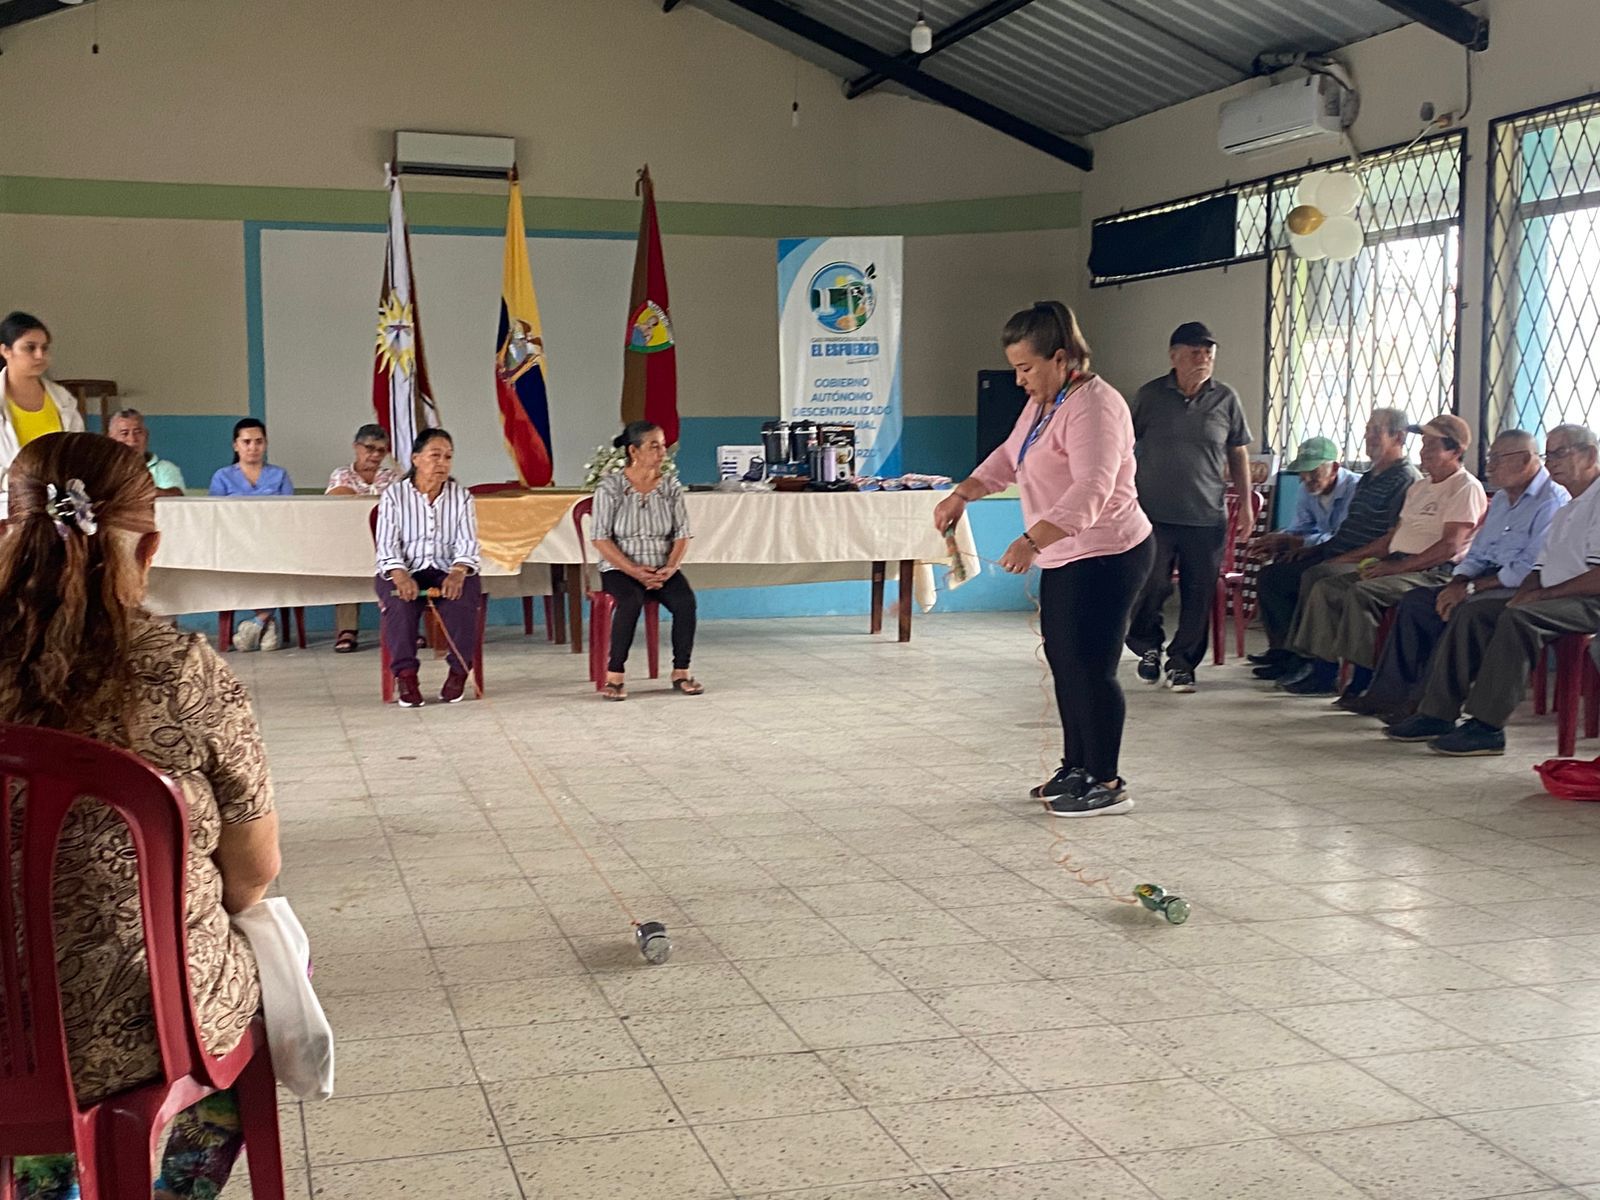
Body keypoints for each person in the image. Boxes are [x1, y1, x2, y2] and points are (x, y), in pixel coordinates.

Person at [0, 432, 281, 1200]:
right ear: (149, 548)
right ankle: (170, 1190)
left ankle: (49, 1182)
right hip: (140, 1025)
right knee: (277, 975)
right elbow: (253, 875)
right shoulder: (181, 671)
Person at [934, 302, 1153, 817]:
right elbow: (1010, 456)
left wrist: (1032, 540)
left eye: (1026, 368)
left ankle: (1107, 781)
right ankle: (1077, 766)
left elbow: (1093, 488)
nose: (1019, 380)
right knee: (1065, 662)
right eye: (1014, 368)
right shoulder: (1046, 402)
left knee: (1092, 667)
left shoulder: (1095, 406)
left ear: (1060, 357)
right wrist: (963, 493)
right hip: (1064, 552)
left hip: (1107, 552)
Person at [1388, 423, 1600, 756]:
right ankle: (1437, 713)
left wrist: (1537, 597)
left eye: (1561, 453)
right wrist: (1524, 593)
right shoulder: (1570, 506)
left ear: (1590, 455)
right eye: (1550, 455)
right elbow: (1539, 567)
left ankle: (1487, 727)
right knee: (1474, 611)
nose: (1552, 462)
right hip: (1555, 594)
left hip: (1589, 599)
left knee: (1519, 618)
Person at [1345, 430, 1565, 720]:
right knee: (1417, 602)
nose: (1489, 466)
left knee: (1465, 610)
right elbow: (1477, 553)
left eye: (1497, 459)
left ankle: (1427, 707)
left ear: (1525, 460)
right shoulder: (1502, 499)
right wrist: (1459, 581)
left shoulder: (1551, 501)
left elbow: (1528, 568)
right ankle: (1387, 695)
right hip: (1485, 577)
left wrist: (1471, 588)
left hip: (1521, 584)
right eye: (1490, 458)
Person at [1277, 414, 1487, 696]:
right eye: (1423, 444)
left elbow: (1449, 547)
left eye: (1432, 446)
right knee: (1327, 586)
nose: (1423, 451)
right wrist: (1362, 560)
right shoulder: (1420, 487)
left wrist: (1397, 568)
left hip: (1433, 571)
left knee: (1362, 592)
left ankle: (1364, 679)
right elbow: (1392, 537)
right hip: (1399, 561)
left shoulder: (1465, 487)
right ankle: (1323, 671)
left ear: (1455, 451)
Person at [1124, 322, 1254, 694]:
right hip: (1153, 515)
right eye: (1195, 352)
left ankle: (1182, 664)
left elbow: (1238, 452)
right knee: (1151, 584)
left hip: (1205, 516)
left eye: (1209, 353)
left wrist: (1246, 504)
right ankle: (1147, 646)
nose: (1203, 359)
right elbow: (1123, 447)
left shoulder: (1226, 399)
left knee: (1199, 593)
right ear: (1173, 356)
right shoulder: (1150, 396)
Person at [1251, 408, 1420, 679]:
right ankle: (1284, 652)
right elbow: (1343, 531)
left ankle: (1317, 664)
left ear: (1398, 437)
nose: (1368, 437)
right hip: (1341, 551)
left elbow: (1390, 540)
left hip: (1369, 559)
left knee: (1317, 575)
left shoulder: (1406, 479)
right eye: (1367, 430)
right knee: (1274, 575)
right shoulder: (1370, 477)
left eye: (1376, 431)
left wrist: (1339, 558)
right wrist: (1313, 550)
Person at [590, 421, 704, 700]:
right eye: (654, 446)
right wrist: (634, 571)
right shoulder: (611, 487)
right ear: (634, 451)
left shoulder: (670, 487)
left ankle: (681, 672)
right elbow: (600, 538)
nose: (662, 452)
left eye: (663, 446)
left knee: (685, 602)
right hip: (620, 567)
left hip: (661, 567)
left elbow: (682, 534)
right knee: (630, 601)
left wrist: (670, 567)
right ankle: (615, 676)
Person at [374, 427, 481, 707]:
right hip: (405, 569)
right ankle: (406, 677)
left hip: (447, 568)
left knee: (463, 598)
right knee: (399, 606)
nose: (442, 463)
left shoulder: (461, 496)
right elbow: (386, 545)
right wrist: (400, 575)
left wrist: (458, 572)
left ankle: (458, 671)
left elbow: (468, 543)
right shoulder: (394, 496)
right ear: (416, 459)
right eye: (435, 455)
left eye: (448, 457)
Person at [209, 418, 294, 652]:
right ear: (235, 445)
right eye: (246, 442)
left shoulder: (279, 475)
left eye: (258, 441)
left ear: (265, 444)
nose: (253, 447)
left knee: (280, 565)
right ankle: (267, 623)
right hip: (234, 544)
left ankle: (258, 621)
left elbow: (290, 513)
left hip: (273, 542)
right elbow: (215, 516)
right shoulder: (222, 476)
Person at [326, 423, 401, 653]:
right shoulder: (342, 474)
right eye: (370, 448)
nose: (375, 455)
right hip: (349, 539)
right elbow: (334, 502)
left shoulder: (393, 477)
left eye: (381, 450)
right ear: (356, 447)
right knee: (344, 567)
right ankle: (347, 630)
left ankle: (402, 627)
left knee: (402, 565)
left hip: (387, 540)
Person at [0, 311, 86, 504]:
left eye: (44, 348)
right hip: (9, 507)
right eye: (30, 348)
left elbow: (79, 455)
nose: (40, 355)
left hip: (62, 506)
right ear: (6, 350)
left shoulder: (63, 400)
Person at [1247, 436, 1359, 560]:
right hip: (1324, 551)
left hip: (1351, 555)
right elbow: (1301, 529)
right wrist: (1278, 539)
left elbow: (1345, 540)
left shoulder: (1357, 489)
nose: (1306, 478)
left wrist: (1298, 542)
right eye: (1302, 471)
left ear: (1334, 468)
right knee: (1278, 565)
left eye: (1313, 471)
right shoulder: (1306, 488)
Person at [107, 406, 186, 496]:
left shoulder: (164, 469)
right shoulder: (101, 469)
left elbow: (176, 496)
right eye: (124, 433)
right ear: (111, 439)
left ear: (146, 435)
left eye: (138, 432)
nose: (132, 439)